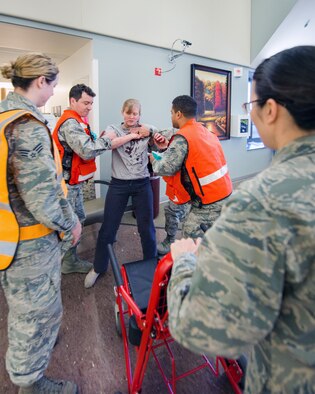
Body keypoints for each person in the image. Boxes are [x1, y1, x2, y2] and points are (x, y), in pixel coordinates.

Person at [167, 46, 315, 393]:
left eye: (251, 106)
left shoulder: (263, 202)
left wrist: (185, 262)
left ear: (271, 110)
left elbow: (203, 327)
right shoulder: (204, 133)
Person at [0, 53, 81, 393]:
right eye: (53, 86)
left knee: (25, 308)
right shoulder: (27, 127)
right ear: (40, 82)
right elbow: (43, 197)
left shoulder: (5, 116)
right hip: (30, 242)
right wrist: (70, 224)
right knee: (34, 316)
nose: (52, 94)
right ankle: (30, 383)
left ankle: (34, 351)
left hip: (9, 234)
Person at [84, 98, 157, 288]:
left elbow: (161, 146)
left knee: (146, 228)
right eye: (128, 113)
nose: (132, 117)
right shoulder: (113, 129)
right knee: (108, 228)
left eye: (135, 113)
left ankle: (151, 266)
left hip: (142, 184)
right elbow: (109, 144)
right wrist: (132, 136)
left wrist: (154, 135)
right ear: (122, 112)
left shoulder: (147, 128)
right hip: (119, 185)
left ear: (139, 114)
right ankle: (98, 267)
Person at [52, 84, 117, 275]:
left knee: (78, 219)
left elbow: (86, 144)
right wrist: (109, 139)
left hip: (73, 184)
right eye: (85, 103)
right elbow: (87, 150)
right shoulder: (70, 123)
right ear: (73, 101)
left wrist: (100, 138)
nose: (89, 107)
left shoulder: (78, 121)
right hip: (66, 186)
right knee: (71, 224)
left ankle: (68, 260)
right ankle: (59, 264)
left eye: (91, 103)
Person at [151, 95, 232, 239]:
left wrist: (154, 158)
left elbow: (164, 168)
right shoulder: (205, 131)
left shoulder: (183, 136)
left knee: (190, 235)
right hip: (224, 193)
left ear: (178, 114)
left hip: (209, 200)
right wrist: (165, 149)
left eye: (171, 113)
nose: (171, 116)